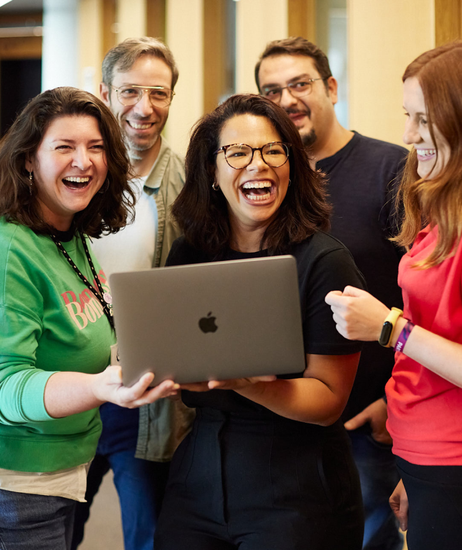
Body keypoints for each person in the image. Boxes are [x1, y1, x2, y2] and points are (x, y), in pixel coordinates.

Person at [326, 38, 462, 550]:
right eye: (407, 116)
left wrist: (390, 328)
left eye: (422, 120)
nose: (408, 136)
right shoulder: (455, 205)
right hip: (434, 456)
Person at [152, 94, 366, 550]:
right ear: (212, 171)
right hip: (197, 473)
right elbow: (179, 363)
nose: (258, 165)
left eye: (273, 151)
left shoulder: (324, 262)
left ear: (292, 166)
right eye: (238, 153)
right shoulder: (190, 254)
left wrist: (246, 382)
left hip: (298, 480)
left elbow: (329, 400)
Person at [0, 87, 177, 550]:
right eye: (64, 147)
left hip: (60, 471)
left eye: (96, 147)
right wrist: (100, 386)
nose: (83, 161)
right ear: (28, 160)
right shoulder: (2, 247)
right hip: (10, 483)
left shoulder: (67, 233)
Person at [255, 37, 407, 550]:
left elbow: (425, 296)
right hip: (284, 418)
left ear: (331, 87)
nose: (288, 99)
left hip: (370, 420)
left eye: (300, 84)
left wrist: (397, 397)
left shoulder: (392, 170)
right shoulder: (268, 182)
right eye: (271, 91)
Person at [72, 38, 194, 550]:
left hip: (144, 396)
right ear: (104, 93)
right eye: (130, 91)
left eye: (158, 93)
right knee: (48, 530)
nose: (145, 107)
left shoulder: (191, 185)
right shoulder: (72, 179)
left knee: (149, 536)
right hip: (70, 385)